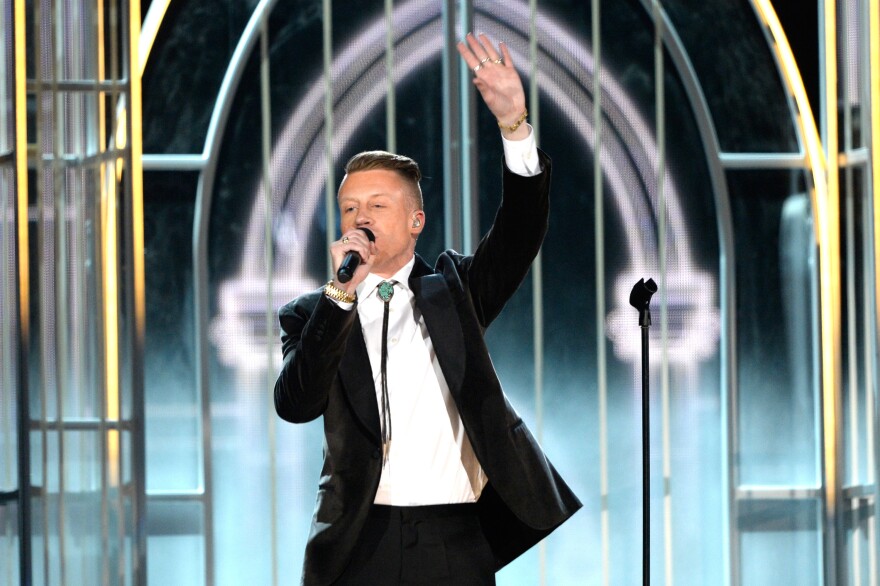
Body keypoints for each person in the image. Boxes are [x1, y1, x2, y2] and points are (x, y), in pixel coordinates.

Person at [274, 33, 581, 585]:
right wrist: (341, 295)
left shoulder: (456, 291)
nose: (359, 215)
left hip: (454, 538)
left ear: (415, 220)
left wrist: (515, 126)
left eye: (377, 204)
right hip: (358, 540)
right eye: (349, 207)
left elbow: (518, 234)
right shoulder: (311, 313)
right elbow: (296, 403)